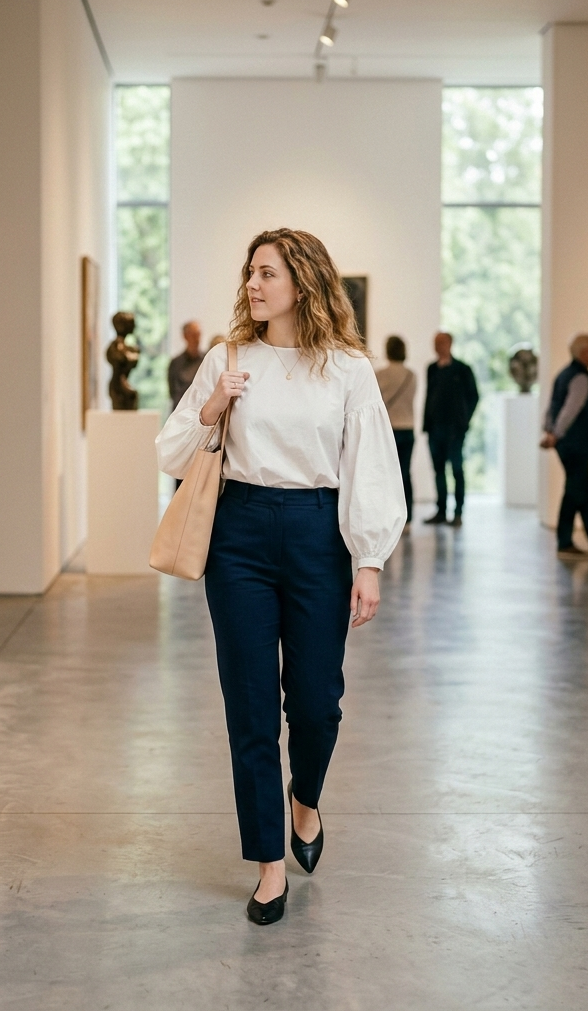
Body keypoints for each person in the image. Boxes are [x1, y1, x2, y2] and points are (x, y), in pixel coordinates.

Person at [155, 228, 405, 926]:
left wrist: (371, 560)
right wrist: (212, 407)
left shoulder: (348, 370)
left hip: (317, 536)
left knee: (318, 702)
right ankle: (269, 864)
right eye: (249, 274)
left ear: (303, 281)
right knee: (252, 708)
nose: (253, 285)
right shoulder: (227, 358)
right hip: (238, 537)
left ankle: (306, 799)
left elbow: (371, 467)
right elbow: (172, 451)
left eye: (266, 273)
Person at [541, 334, 588, 557]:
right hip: (576, 443)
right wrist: (556, 433)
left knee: (583, 488)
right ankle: (564, 540)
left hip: (568, 443)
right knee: (575, 490)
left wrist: (549, 429)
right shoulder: (581, 378)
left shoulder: (564, 374)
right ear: (584, 353)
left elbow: (553, 405)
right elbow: (570, 409)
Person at [422, 332, 478, 527]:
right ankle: (441, 510)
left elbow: (473, 396)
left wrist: (464, 421)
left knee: (456, 469)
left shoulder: (462, 369)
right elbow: (429, 397)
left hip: (455, 430)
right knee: (438, 470)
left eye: (442, 343)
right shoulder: (431, 369)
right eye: (436, 343)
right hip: (435, 428)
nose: (438, 346)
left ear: (450, 344)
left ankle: (458, 512)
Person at [375, 335, 417, 532]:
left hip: (388, 429)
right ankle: (407, 519)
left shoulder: (380, 374)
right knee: (405, 474)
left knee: (385, 475)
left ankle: (386, 517)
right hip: (408, 428)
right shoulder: (411, 375)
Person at [167, 321, 204, 412]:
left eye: (198, 334)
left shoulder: (206, 360)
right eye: (193, 334)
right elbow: (172, 392)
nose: (196, 338)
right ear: (185, 336)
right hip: (180, 412)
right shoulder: (175, 363)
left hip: (201, 412)